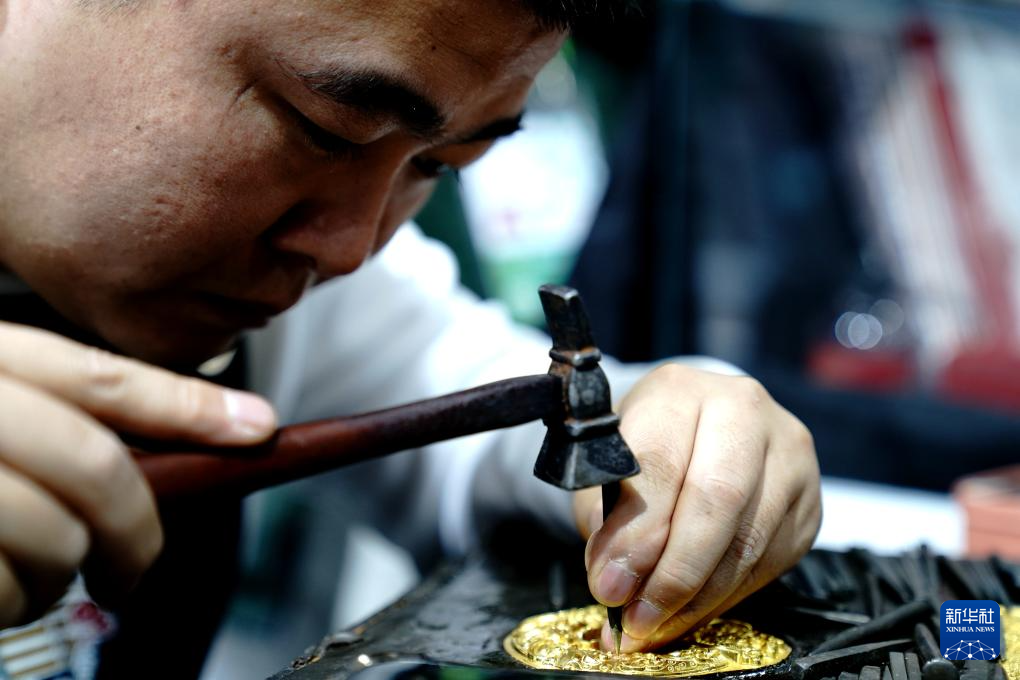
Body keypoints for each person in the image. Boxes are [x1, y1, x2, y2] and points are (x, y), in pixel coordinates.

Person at [0, 0, 821, 676]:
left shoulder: (301, 299)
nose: (351, 249)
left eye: (440, 164)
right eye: (324, 128)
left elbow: (474, 429)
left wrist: (685, 439)